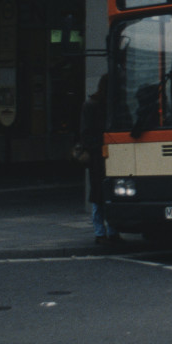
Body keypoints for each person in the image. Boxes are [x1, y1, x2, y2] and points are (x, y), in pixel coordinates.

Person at [78, 74, 118, 244]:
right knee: (105, 195)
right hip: (103, 155)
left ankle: (101, 232)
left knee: (98, 196)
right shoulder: (107, 106)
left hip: (97, 156)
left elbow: (85, 133)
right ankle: (108, 232)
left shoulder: (91, 105)